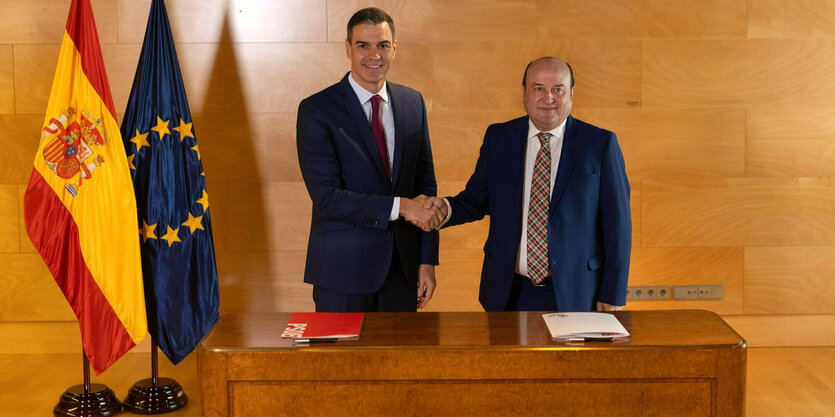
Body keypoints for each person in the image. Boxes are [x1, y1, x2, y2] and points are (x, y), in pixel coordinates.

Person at [430, 57, 632, 312]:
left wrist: (613, 293)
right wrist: (443, 209)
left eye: (558, 89)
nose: (548, 98)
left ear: (571, 94)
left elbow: (618, 227)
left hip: (578, 292)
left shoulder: (600, 144)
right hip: (508, 291)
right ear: (524, 93)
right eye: (538, 88)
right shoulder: (499, 138)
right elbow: (476, 199)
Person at [296, 8, 445, 312]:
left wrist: (426, 260)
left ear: (395, 49)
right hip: (342, 273)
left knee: (398, 361)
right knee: (341, 361)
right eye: (363, 45)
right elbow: (327, 197)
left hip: (402, 271)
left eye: (383, 45)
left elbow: (425, 184)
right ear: (348, 48)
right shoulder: (317, 109)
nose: (374, 55)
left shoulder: (412, 103)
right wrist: (400, 206)